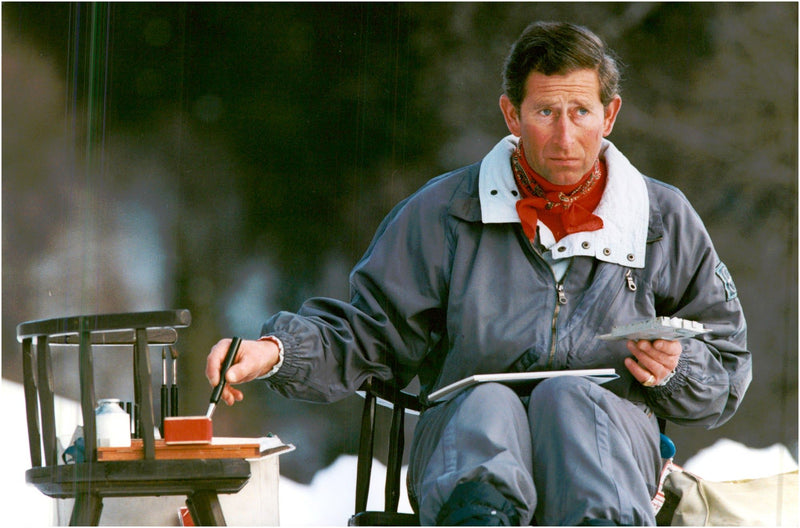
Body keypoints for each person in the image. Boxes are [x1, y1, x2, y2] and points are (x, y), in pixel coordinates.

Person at [206, 21, 751, 526]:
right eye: (545, 112)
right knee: (487, 400)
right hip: (465, 451)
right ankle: (481, 517)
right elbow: (370, 332)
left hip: (609, 454)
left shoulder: (662, 218)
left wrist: (678, 368)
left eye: (581, 112)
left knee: (571, 401)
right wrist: (278, 351)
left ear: (609, 115)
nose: (565, 137)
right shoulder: (444, 212)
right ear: (512, 115)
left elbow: (727, 366)